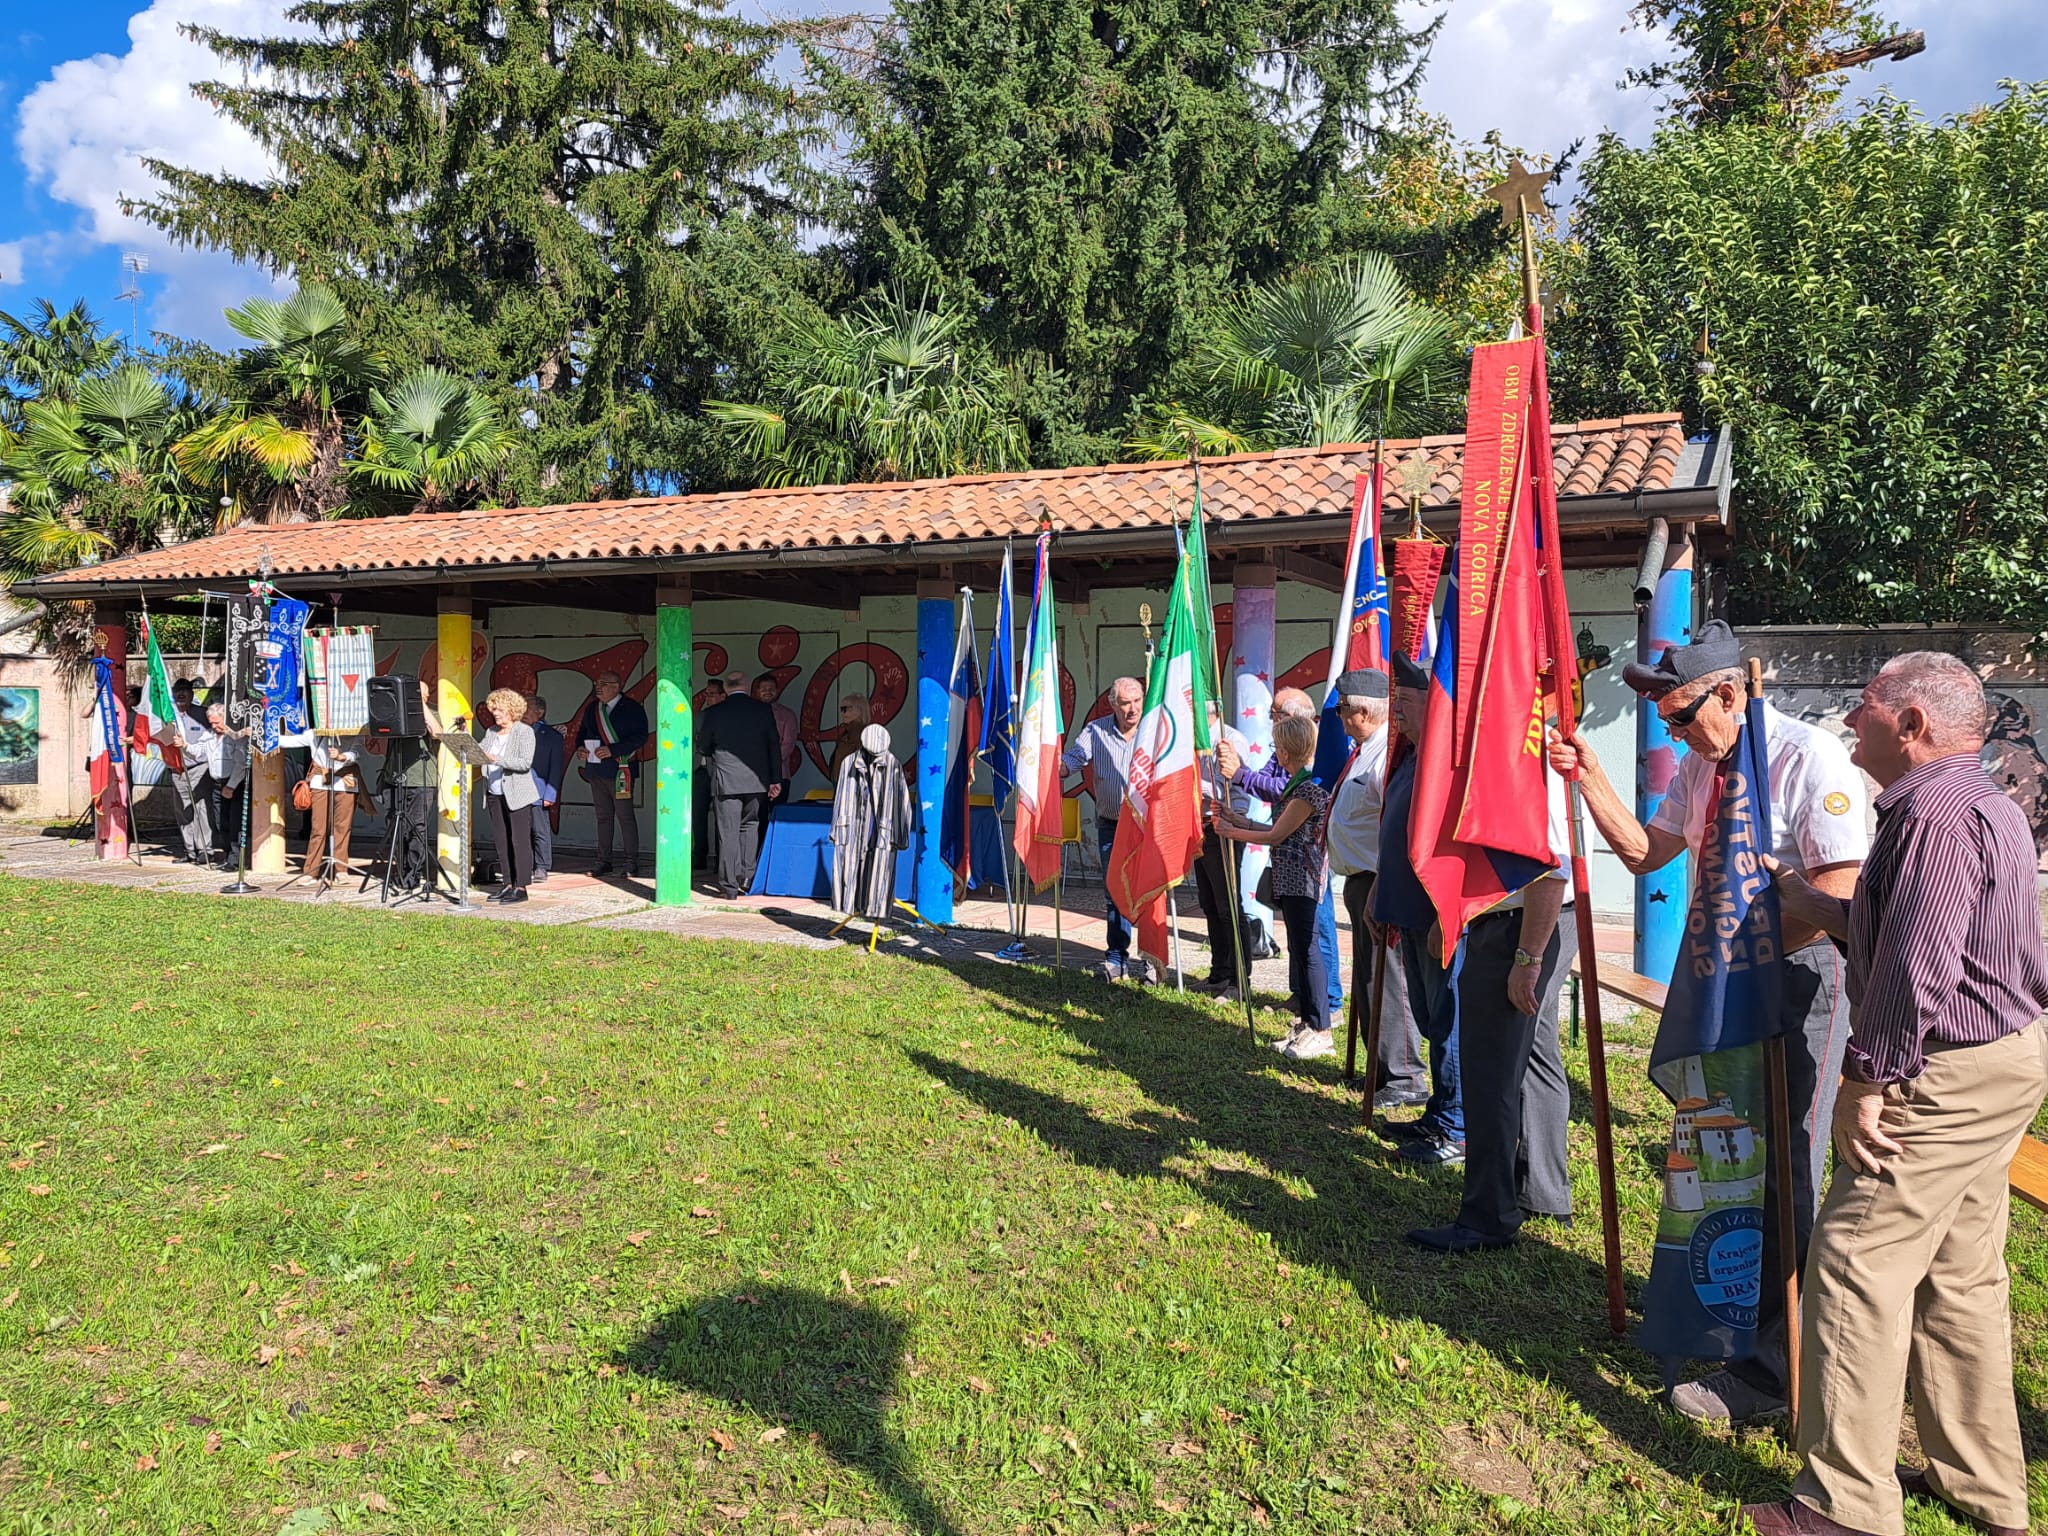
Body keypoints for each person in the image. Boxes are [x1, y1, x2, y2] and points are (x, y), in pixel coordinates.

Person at [1742, 653, 2048, 1536]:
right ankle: (1982, 1487)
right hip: (2000, 1060)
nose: (1850, 723)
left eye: (1865, 708)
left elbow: (1918, 967)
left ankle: (1843, 1509)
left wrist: (1864, 1079)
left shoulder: (1932, 818)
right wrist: (1801, 890)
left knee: (1854, 1266)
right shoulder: (1979, 801)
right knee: (1960, 1277)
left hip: (1942, 1070)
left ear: (1909, 725)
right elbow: (1907, 927)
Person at [1548, 619, 1867, 1423]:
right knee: (1725, 1152)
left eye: (1684, 716)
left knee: (1789, 1164)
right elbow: (1644, 852)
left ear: (1731, 692)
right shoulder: (1704, 764)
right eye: (1668, 725)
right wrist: (1587, 777)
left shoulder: (1806, 757)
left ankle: (1775, 1368)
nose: (1676, 733)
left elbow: (1838, 898)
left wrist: (1736, 956)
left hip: (1797, 982)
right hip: (1725, 981)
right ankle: (1726, 1314)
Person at [1405, 716, 1576, 1254]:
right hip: (1507, 922)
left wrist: (1526, 958)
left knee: (1491, 1073)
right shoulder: (1522, 754)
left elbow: (1552, 870)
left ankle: (1488, 1214)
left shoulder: (1533, 761)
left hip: (1521, 928)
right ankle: (1540, 1191)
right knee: (1531, 1059)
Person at [1370, 655, 1464, 1166]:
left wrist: (1445, 914)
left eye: (1405, 701)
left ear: (1438, 703)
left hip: (1436, 917)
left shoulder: (1449, 761)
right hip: (1405, 908)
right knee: (1430, 1017)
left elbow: (1454, 845)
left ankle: (1457, 1127)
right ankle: (1441, 1111)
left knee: (1449, 1020)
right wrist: (1381, 889)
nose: (1397, 711)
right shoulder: (1411, 755)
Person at [1323, 669, 1425, 1101]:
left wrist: (1385, 882)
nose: (1340, 717)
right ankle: (1377, 1070)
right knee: (1368, 978)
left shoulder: (1387, 753)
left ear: (1364, 711)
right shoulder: (1364, 749)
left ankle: (1403, 1077)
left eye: (1343, 709)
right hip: (1361, 881)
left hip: (1381, 880)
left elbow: (1396, 821)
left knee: (1390, 979)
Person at [1216, 687, 1346, 1019]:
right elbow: (1276, 824)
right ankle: (1307, 1008)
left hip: (1304, 878)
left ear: (1288, 750)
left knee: (1311, 949)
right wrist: (1239, 819)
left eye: (1277, 747)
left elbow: (1276, 835)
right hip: (1289, 879)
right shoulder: (1296, 780)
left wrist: (1232, 831)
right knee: (1301, 948)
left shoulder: (1307, 786)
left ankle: (1321, 1018)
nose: (1276, 753)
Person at [1063, 677, 1147, 982]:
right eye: (1125, 703)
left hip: (1146, 828)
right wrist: (1051, 767)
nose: (1132, 709)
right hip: (1112, 824)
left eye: (1137, 701)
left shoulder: (1153, 730)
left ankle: (1151, 960)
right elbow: (1074, 758)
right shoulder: (1096, 730)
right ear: (1112, 704)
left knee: (1148, 892)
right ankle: (1116, 958)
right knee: (1115, 893)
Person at [698, 671, 784, 898]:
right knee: (751, 826)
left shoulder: (713, 713)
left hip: (726, 781)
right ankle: (747, 877)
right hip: (757, 781)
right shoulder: (763, 710)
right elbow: (774, 746)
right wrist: (775, 779)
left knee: (728, 833)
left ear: (725, 688)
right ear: (746, 686)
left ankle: (729, 886)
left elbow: (703, 746)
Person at [1194, 699, 1255, 999]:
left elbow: (1241, 789)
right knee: (1209, 902)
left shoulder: (1230, 740)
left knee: (1229, 906)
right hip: (1199, 827)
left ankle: (1239, 979)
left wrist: (1231, 824)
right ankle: (1219, 972)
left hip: (1225, 827)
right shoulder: (1193, 740)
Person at [364, 680, 443, 895]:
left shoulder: (433, 712)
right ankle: (400, 870)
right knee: (397, 827)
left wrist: (421, 705)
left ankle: (414, 873)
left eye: (418, 693)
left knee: (417, 828)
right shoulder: (396, 712)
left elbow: (437, 733)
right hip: (395, 778)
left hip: (421, 781)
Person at [573, 672, 648, 877]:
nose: (599, 687)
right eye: (597, 683)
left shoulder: (632, 708)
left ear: (617, 686)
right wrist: (580, 748)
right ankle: (603, 860)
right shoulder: (592, 708)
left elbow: (640, 737)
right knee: (603, 817)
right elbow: (582, 733)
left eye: (604, 684)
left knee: (625, 817)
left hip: (620, 771)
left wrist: (614, 750)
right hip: (596, 770)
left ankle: (631, 862)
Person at [478, 687, 537, 904]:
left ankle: (521, 887)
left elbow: (524, 763)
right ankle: (507, 884)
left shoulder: (524, 732)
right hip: (494, 793)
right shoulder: (491, 732)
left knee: (519, 841)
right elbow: (479, 752)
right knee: (502, 841)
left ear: (512, 710)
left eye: (500, 710)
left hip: (517, 795)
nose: (496, 714)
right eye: (494, 710)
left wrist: (497, 760)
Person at [302, 729, 365, 882]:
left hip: (345, 782)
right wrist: (259, 735)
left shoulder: (354, 730)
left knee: (342, 828)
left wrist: (341, 756)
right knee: (318, 828)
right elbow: (292, 741)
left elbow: (356, 752)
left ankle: (341, 869)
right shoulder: (314, 734)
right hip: (321, 782)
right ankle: (311, 871)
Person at [166, 678, 217, 866]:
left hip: (198, 767)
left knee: (202, 809)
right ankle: (190, 851)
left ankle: (206, 850)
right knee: (182, 811)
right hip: (177, 769)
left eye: (185, 691)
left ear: (191, 694)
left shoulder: (202, 714)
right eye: (177, 691)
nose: (181, 694)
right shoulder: (167, 715)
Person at [526, 692, 565, 884]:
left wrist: (550, 793)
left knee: (539, 830)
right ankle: (525, 864)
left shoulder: (552, 736)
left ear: (540, 712)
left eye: (528, 709)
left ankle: (542, 866)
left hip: (539, 790)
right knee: (521, 830)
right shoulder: (516, 731)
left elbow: (555, 767)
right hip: (517, 790)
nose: (523, 713)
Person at [204, 700, 248, 866]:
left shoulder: (235, 736)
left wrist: (231, 785)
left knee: (235, 822)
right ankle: (228, 853)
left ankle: (236, 860)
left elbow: (241, 763)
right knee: (220, 822)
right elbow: (199, 751)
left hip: (234, 784)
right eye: (212, 723)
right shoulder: (208, 735)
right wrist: (185, 746)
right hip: (216, 783)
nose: (215, 726)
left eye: (217, 723)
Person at [755, 673, 802, 807]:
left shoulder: (787, 715)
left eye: (771, 688)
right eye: (764, 689)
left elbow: (788, 744)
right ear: (758, 691)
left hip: (779, 774)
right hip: (754, 775)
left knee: (777, 813)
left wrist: (768, 762)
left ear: (777, 691)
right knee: (755, 817)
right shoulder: (750, 714)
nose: (767, 692)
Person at [827, 694, 870, 778]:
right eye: (841, 709)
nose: (843, 713)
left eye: (847, 709)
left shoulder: (861, 734)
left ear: (860, 710)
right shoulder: (846, 733)